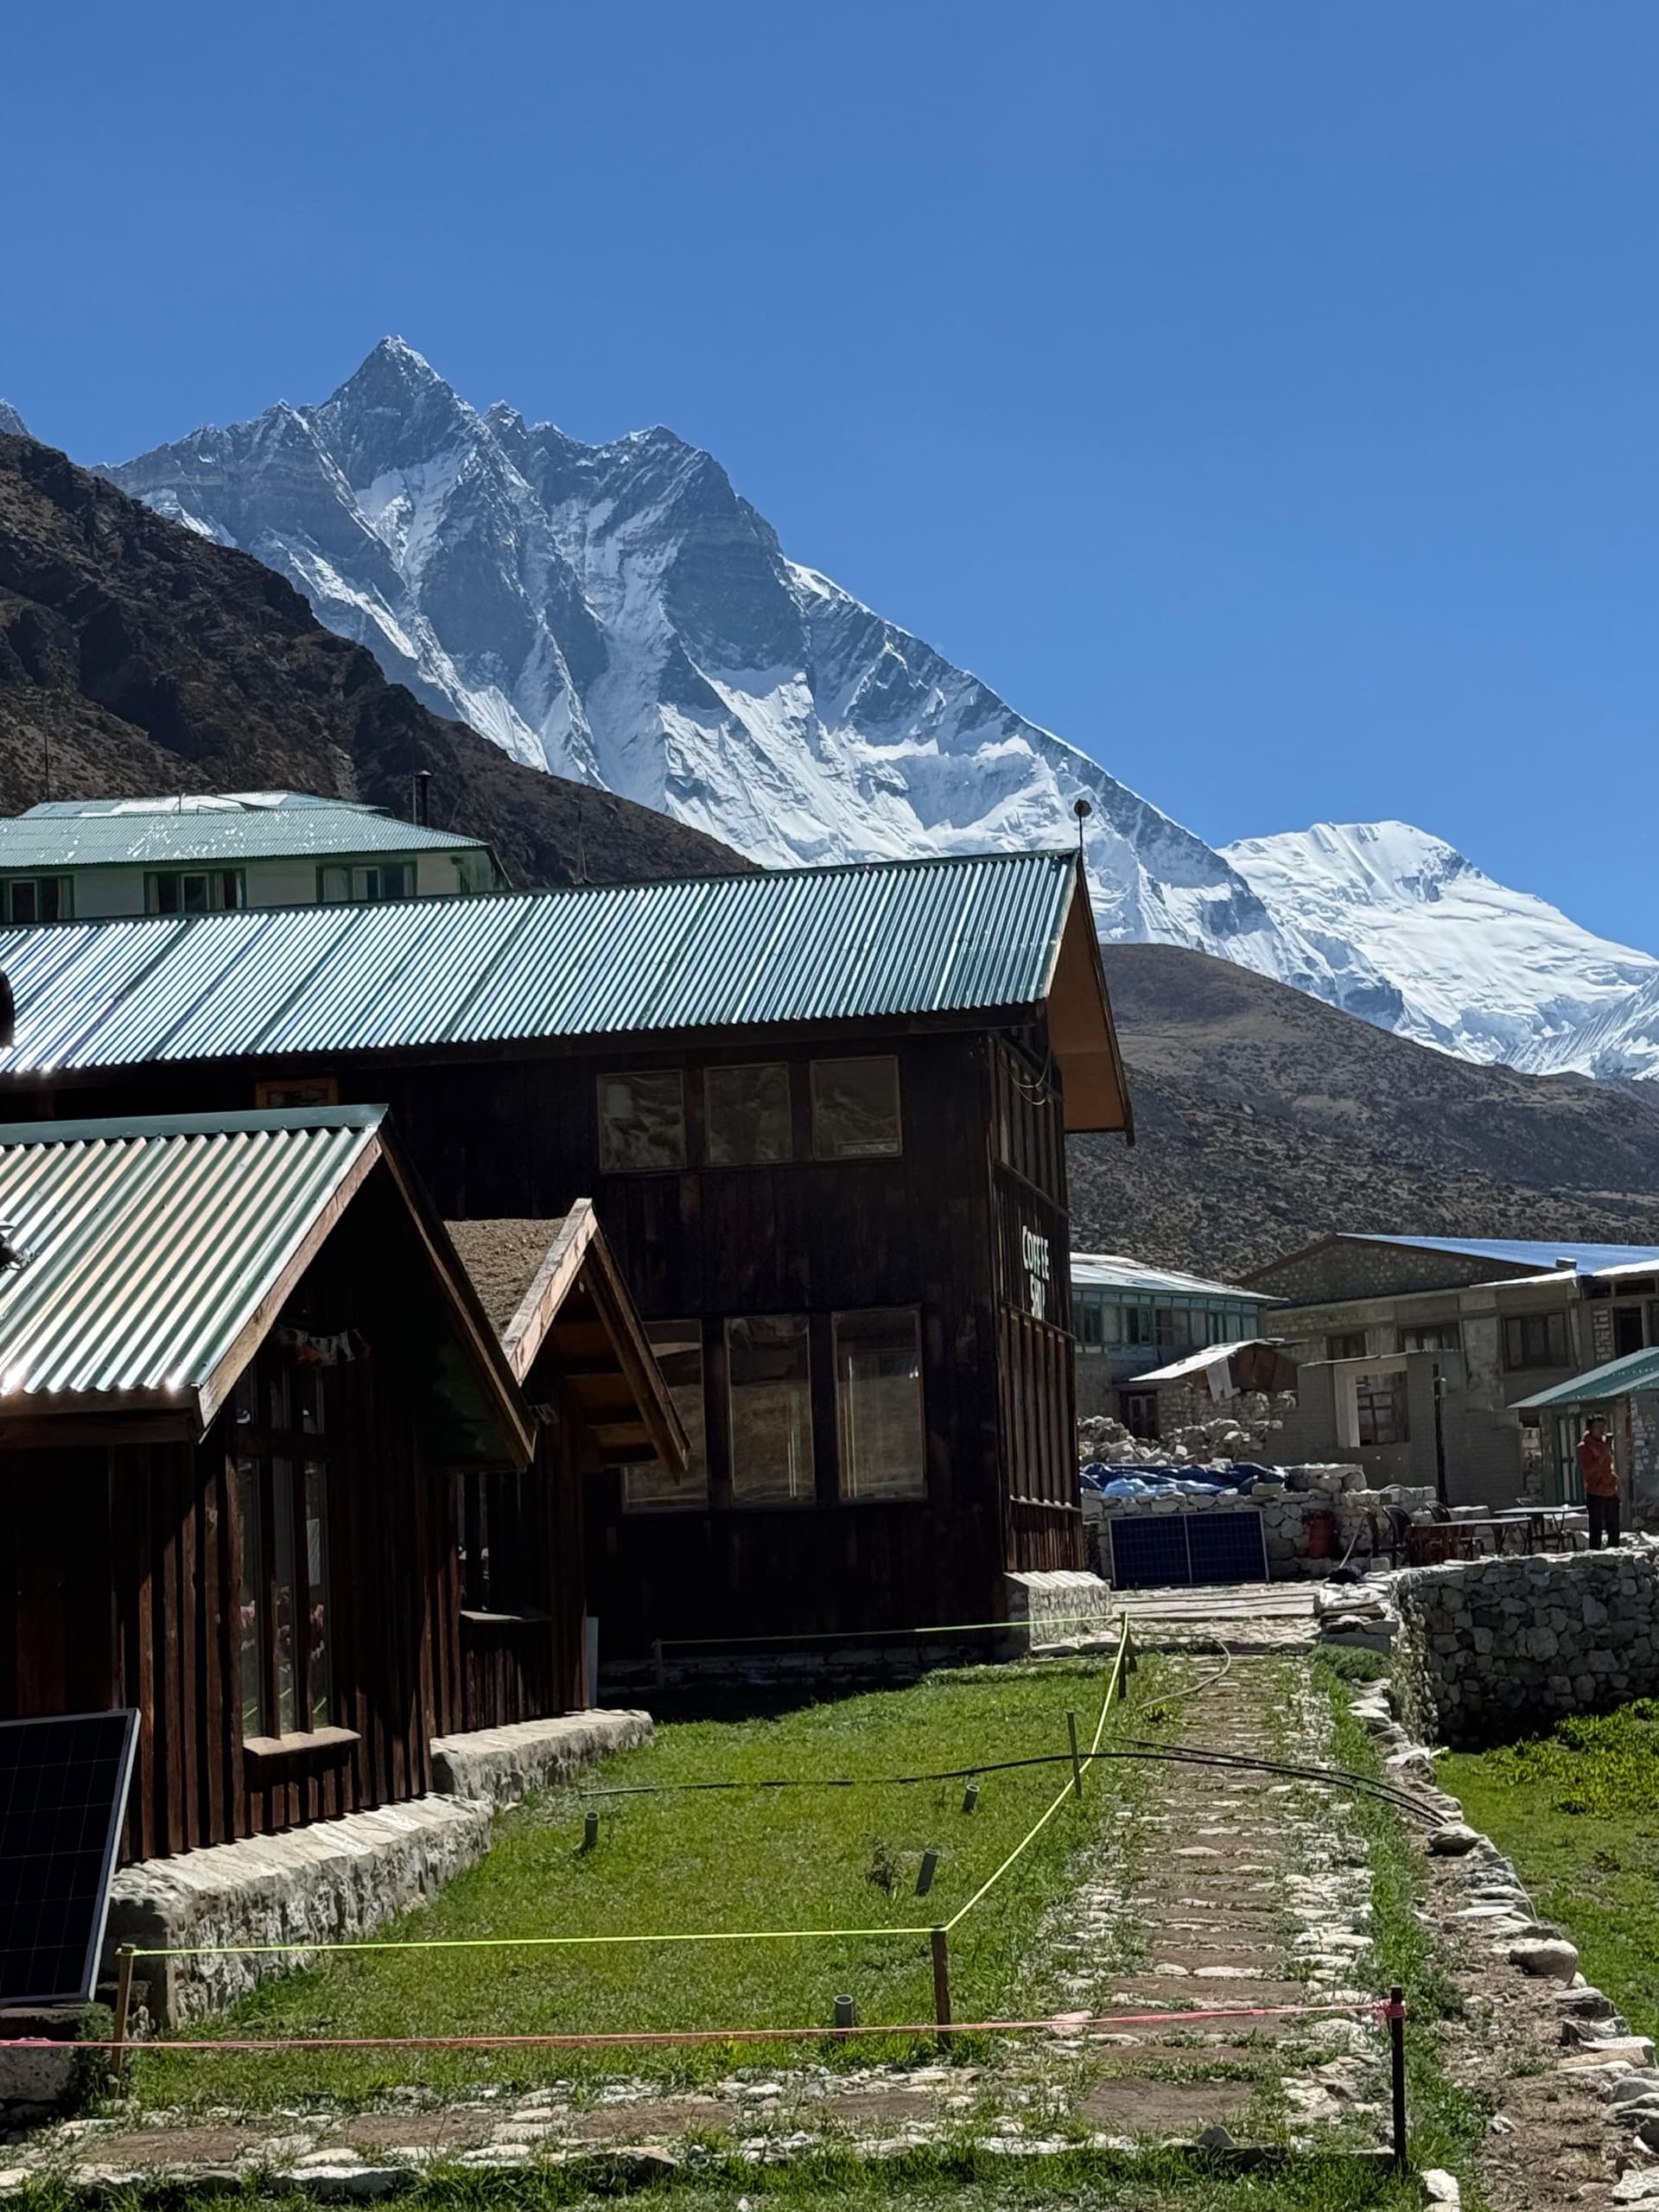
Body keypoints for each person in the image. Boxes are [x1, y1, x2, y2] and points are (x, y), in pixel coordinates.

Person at [1578, 1415, 1620, 1548]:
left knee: (1614, 1527)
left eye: (1603, 1427)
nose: (1601, 1430)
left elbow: (1609, 1464)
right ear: (1590, 1429)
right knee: (1596, 1529)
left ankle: (1614, 1554)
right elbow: (1589, 1469)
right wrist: (1603, 1452)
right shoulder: (1585, 1447)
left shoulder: (1604, 1444)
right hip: (1595, 1491)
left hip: (1610, 1490)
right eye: (1598, 1427)